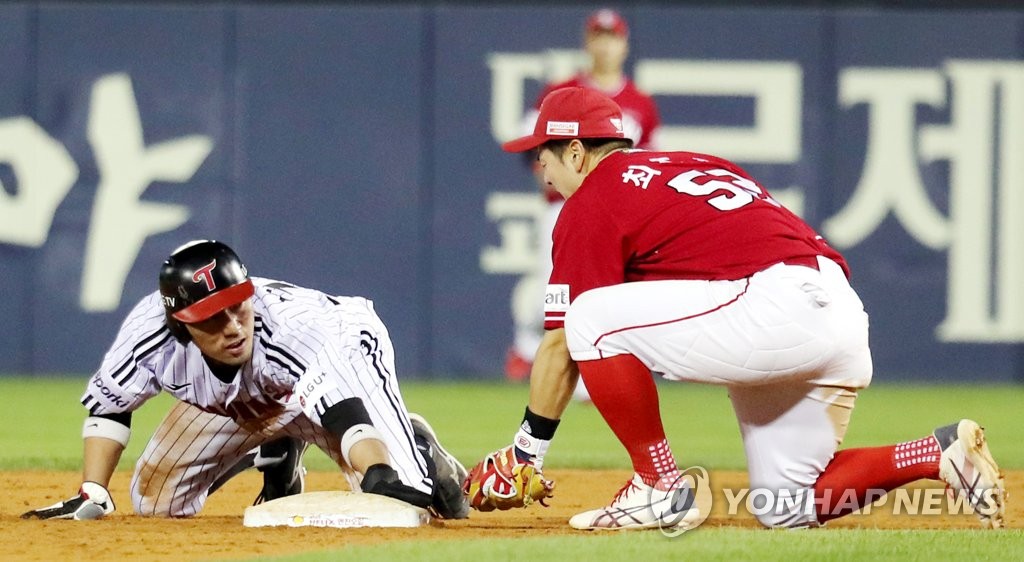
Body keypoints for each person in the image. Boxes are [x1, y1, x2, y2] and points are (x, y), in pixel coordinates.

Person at [469, 86, 1006, 530]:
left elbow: (563, 342)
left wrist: (524, 453)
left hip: (775, 305)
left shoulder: (592, 200)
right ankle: (935, 454)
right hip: (836, 311)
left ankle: (656, 484)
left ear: (577, 153)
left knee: (590, 320)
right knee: (786, 506)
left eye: (544, 152)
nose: (539, 166)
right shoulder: (690, 163)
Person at [21, 239, 469, 520]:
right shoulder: (150, 336)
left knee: (402, 502)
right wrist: (94, 490)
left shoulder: (291, 331)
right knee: (154, 503)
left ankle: (416, 444)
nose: (234, 326)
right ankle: (277, 447)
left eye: (238, 305)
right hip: (252, 399)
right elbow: (110, 403)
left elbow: (343, 411)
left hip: (340, 355)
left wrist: (377, 469)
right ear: (181, 324)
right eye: (213, 319)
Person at [505, 9, 661, 404]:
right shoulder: (563, 93)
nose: (605, 44)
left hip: (617, 215)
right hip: (564, 206)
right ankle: (543, 359)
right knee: (557, 288)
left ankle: (601, 367)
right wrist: (549, 173)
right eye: (598, 36)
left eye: (612, 37)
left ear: (624, 45)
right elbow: (528, 142)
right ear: (587, 41)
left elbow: (649, 161)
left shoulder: (639, 103)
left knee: (612, 292)